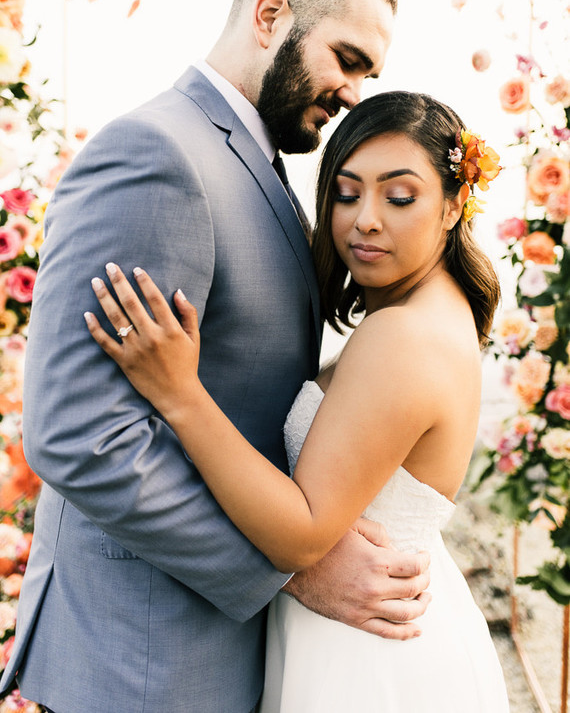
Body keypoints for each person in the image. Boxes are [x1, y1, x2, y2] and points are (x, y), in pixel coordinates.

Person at [0, 0, 431, 713]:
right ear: (271, 14)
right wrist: (291, 567)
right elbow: (78, 433)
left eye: (368, 74)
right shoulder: (156, 155)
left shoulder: (259, 163)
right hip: (142, 665)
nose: (353, 94)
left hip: (212, 656)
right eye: (346, 59)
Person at [85, 91, 510, 712]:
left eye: (399, 197)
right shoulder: (434, 311)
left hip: (369, 657)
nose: (365, 220)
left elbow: (301, 536)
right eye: (346, 193)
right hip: (371, 629)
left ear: (453, 205)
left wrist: (179, 393)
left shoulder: (404, 335)